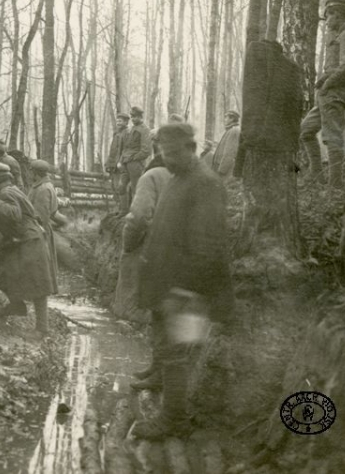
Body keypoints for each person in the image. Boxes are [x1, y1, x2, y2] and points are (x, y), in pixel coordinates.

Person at [130, 124, 234, 439]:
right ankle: (161, 385)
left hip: (191, 291)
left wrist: (185, 289)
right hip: (169, 285)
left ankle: (174, 419)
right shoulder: (178, 178)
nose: (168, 158)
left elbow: (209, 246)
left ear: (191, 148)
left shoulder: (205, 184)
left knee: (179, 353)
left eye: (174, 153)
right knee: (165, 343)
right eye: (163, 152)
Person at [300, 0, 345, 188]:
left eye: (328, 16)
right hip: (329, 92)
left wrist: (327, 83)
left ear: (337, 14)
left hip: (336, 93)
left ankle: (335, 185)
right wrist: (324, 79)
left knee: (332, 137)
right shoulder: (341, 33)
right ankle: (316, 175)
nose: (326, 21)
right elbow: (340, 66)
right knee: (306, 131)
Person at [0, 161, 54, 334]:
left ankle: (42, 329)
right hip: (20, 241)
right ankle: (16, 306)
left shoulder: (6, 192)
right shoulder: (7, 190)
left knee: (38, 286)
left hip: (30, 240)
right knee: (6, 274)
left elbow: (14, 214)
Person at [113, 141, 172, 321]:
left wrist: (129, 244)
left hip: (148, 246)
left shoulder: (151, 176)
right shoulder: (186, 177)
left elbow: (139, 217)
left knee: (131, 312)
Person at [27, 159, 65, 295]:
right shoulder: (43, 185)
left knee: (41, 268)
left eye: (30, 171)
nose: (28, 174)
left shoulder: (43, 189)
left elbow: (40, 216)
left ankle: (41, 295)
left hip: (39, 231)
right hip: (40, 229)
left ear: (36, 173)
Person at [118, 106, 152, 214]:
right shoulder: (131, 130)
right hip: (125, 162)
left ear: (141, 117)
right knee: (121, 186)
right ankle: (123, 211)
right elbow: (126, 147)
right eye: (132, 117)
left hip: (135, 164)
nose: (133, 119)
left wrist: (134, 158)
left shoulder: (145, 130)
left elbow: (146, 150)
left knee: (135, 189)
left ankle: (135, 213)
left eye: (135, 117)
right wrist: (121, 160)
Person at [105, 113, 129, 203]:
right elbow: (113, 151)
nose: (118, 123)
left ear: (126, 122)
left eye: (120, 121)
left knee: (121, 187)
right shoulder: (116, 134)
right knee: (114, 187)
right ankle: (118, 207)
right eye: (117, 121)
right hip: (114, 165)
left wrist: (121, 162)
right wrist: (108, 163)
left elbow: (125, 150)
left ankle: (123, 209)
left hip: (121, 165)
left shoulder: (127, 133)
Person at [211, 110, 241, 180]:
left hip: (225, 172)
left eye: (226, 117)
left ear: (232, 119)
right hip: (221, 169)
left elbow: (229, 153)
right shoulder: (230, 130)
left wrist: (221, 170)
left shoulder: (234, 131)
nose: (224, 119)